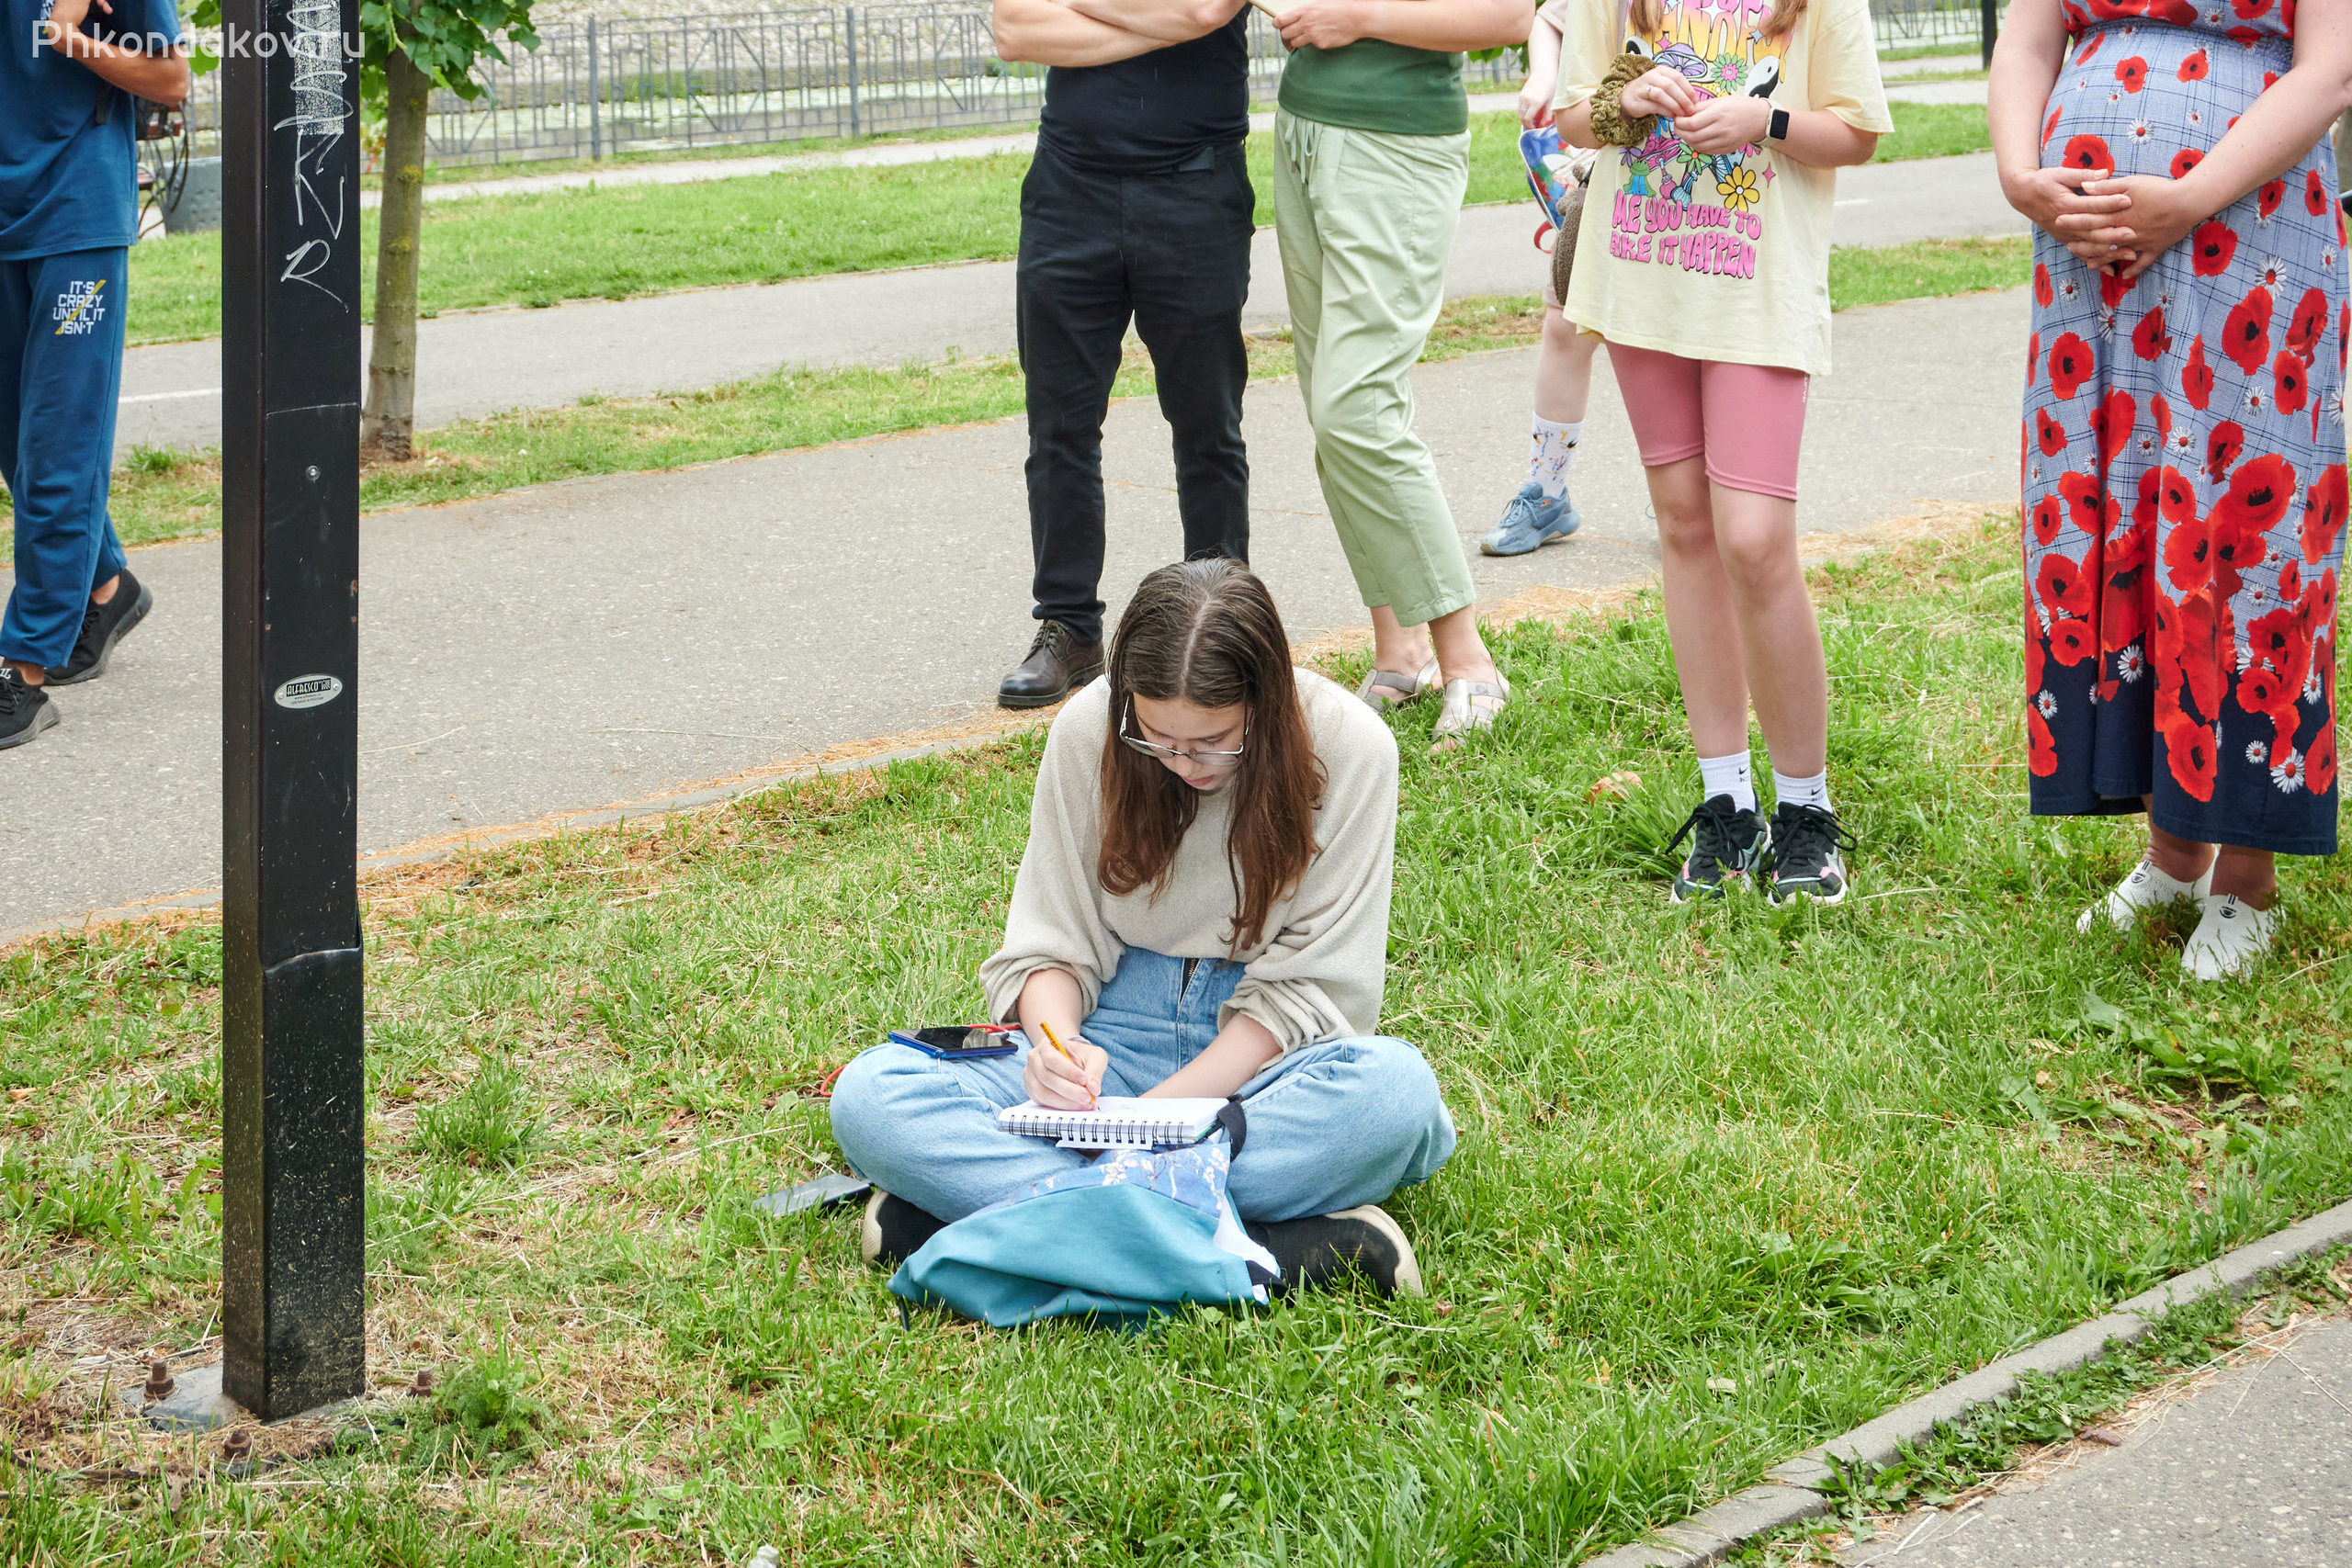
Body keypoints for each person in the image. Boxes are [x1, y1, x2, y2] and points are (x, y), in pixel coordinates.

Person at [831, 558, 1456, 1297]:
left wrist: (1148, 1125)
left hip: (1256, 1073)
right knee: (872, 1095)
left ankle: (992, 1224)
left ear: (1267, 703)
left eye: (1214, 740)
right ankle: (1265, 1249)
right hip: (1112, 1037)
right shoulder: (1089, 728)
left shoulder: (1352, 747)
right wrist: (1058, 1051)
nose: (1181, 762)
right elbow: (1051, 940)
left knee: (1394, 1098)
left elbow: (1309, 993)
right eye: (1157, 737)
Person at [1990, 0, 2348, 978]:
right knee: (2123, 515)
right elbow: (2027, 35)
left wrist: (2190, 196)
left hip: (2253, 229)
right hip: (2085, 255)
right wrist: (2024, 178)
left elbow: (2332, 67)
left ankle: (2247, 879)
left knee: (2239, 525)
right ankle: (2173, 854)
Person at [1555, 0, 1890, 902]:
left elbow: (1855, 134)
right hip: (1640, 282)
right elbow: (1569, 116)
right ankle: (1725, 808)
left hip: (1756, 297)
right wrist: (1635, 99)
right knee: (1686, 529)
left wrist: (1762, 120)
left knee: (1752, 539)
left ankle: (1806, 812)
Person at [1269, 0, 1530, 749]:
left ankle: (1468, 660)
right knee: (1332, 413)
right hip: (1306, 127)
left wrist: (1357, 18)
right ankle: (1401, 650)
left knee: (1359, 409)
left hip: (1396, 143)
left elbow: (1509, 16)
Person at [989, 0, 1257, 710]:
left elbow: (1203, 9)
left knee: (1207, 427)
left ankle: (1224, 626)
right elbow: (1015, 29)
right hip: (1067, 192)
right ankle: (1069, 627)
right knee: (1060, 429)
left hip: (1196, 189)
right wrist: (1164, 19)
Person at [0, 0, 183, 750]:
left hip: (75, 216)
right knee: (13, 432)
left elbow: (170, 80)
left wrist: (66, 37)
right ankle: (107, 589)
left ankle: (24, 669)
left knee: (57, 443)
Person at [1482, 0, 1602, 558]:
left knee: (1670, 341)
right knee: (1563, 325)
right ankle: (1548, 492)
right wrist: (1546, 75)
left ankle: (1695, 488)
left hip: (1698, 185)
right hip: (1599, 173)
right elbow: (1550, 18)